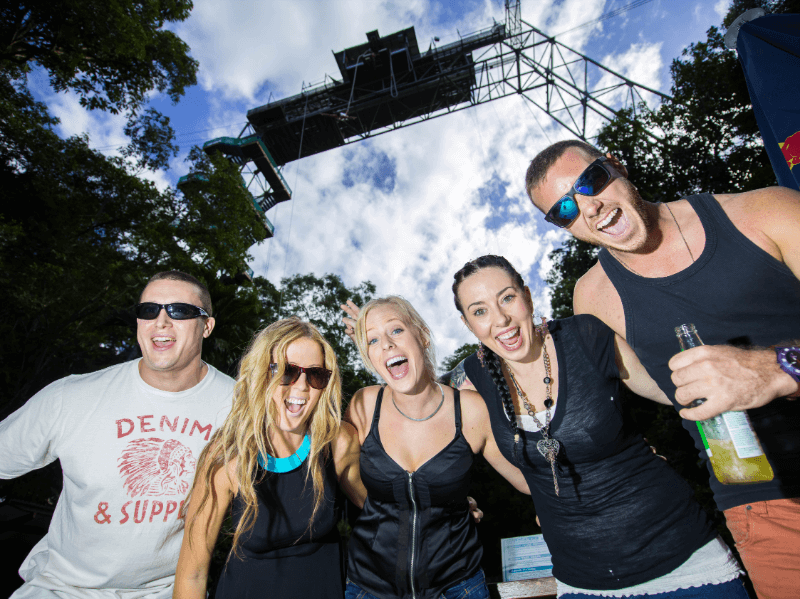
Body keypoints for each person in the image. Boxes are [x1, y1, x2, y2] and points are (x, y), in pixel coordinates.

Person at [525, 139, 800, 598]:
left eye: (591, 181)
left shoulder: (764, 211)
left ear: (616, 162)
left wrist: (776, 368)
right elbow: (656, 386)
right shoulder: (593, 298)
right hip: (761, 505)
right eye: (565, 210)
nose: (589, 208)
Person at [447, 255, 747, 598]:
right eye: (479, 310)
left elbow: (675, 390)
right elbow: (425, 429)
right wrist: (449, 495)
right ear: (467, 323)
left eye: (507, 297)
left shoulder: (585, 336)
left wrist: (753, 367)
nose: (500, 319)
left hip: (684, 559)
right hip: (581, 581)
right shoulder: (470, 379)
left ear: (527, 296)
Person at [0, 271, 233, 599]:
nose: (161, 321)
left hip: (167, 592)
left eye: (179, 310)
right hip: (63, 588)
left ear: (206, 326)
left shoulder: (239, 407)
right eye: (149, 310)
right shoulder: (73, 397)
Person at [342, 296, 530, 599]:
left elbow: (526, 478)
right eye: (373, 340)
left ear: (423, 336)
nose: (387, 344)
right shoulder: (364, 405)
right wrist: (413, 504)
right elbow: (337, 472)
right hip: (370, 588)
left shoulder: (469, 410)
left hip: (459, 587)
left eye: (397, 331)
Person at [174, 317, 365, 599]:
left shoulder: (337, 442)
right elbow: (193, 573)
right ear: (260, 373)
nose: (301, 388)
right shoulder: (227, 456)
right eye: (286, 372)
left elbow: (380, 512)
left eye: (315, 375)